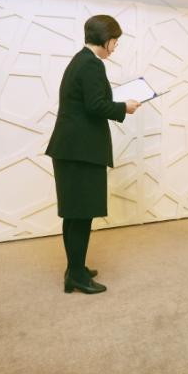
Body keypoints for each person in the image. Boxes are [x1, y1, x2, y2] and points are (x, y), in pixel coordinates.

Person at [45, 15, 140, 294]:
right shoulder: (91, 64)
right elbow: (96, 105)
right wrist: (124, 107)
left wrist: (116, 103)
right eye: (115, 41)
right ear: (106, 40)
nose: (116, 47)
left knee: (75, 214)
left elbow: (90, 101)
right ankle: (76, 275)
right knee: (81, 214)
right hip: (80, 152)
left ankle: (75, 268)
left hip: (73, 149)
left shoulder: (81, 60)